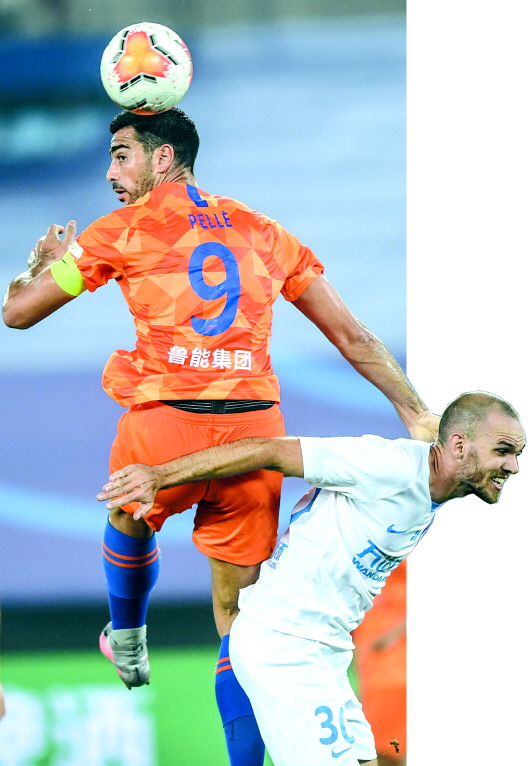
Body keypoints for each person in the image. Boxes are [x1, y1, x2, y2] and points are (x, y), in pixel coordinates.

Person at [2, 107, 438, 766]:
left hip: (166, 421)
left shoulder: (114, 232)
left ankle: (128, 633)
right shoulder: (265, 231)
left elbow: (17, 314)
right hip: (253, 432)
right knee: (240, 627)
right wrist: (414, 412)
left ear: (163, 158)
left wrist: (37, 267)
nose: (111, 173)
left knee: (128, 517)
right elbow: (351, 335)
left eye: (121, 155)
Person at [96, 391, 525, 766]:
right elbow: (268, 450)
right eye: (503, 451)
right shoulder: (387, 465)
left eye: (518, 453)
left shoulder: (432, 490)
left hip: (325, 657)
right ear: (458, 444)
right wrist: (159, 476)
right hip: (286, 647)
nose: (514, 466)